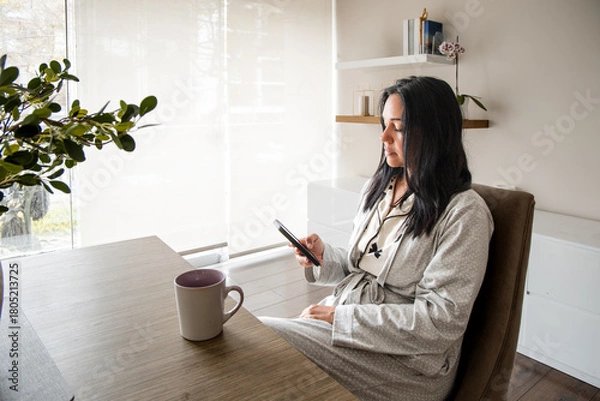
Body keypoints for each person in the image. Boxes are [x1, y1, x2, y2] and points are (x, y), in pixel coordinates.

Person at [260, 76, 493, 401]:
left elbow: (440, 323)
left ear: (436, 133)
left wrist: (341, 318)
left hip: (408, 365)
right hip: (349, 321)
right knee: (259, 352)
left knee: (260, 339)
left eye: (398, 127)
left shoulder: (465, 213)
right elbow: (363, 268)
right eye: (383, 124)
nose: (383, 137)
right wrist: (325, 256)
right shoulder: (379, 188)